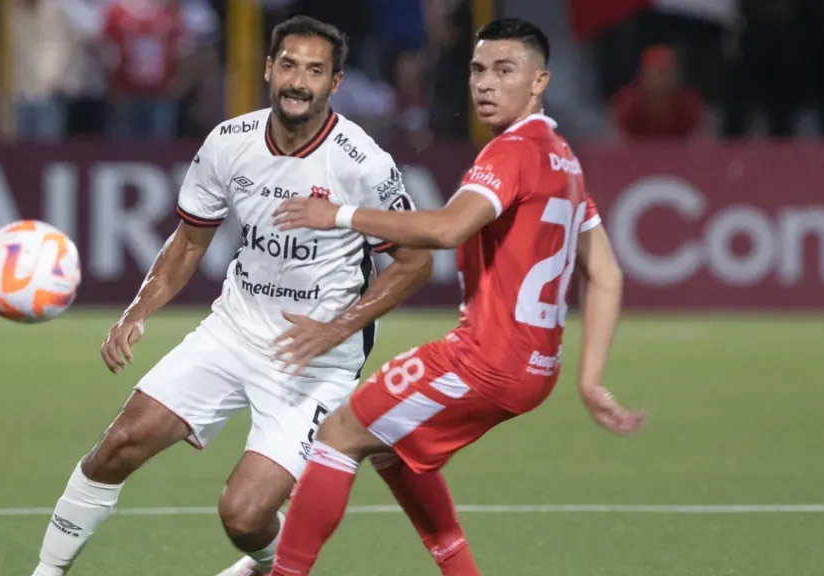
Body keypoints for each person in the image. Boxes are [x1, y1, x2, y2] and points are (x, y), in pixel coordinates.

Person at [28, 15, 433, 576]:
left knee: (242, 516)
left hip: (312, 361)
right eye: (288, 65)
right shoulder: (230, 142)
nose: (298, 81)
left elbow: (415, 262)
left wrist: (336, 329)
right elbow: (190, 241)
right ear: (268, 68)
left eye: (315, 71)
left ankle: (273, 563)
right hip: (233, 330)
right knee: (118, 445)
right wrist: (137, 311)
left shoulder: (360, 163)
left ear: (335, 84)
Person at [267, 18, 647, 576]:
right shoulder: (563, 157)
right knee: (392, 446)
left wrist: (338, 215)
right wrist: (588, 379)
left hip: (487, 359)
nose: (485, 84)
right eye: (477, 70)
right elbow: (608, 273)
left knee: (340, 433)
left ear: (539, 82)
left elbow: (448, 229)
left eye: (504, 71)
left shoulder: (511, 153)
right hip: (534, 365)